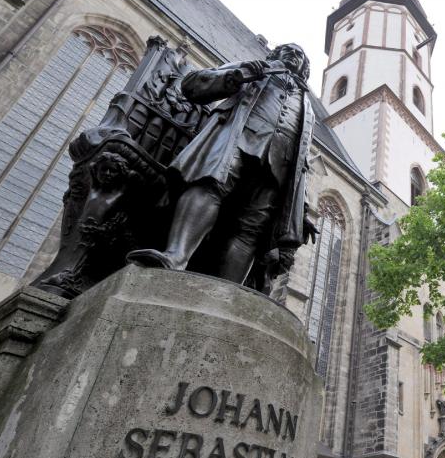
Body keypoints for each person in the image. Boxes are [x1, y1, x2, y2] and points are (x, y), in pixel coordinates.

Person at [128, 43, 317, 287]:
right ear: (274, 55)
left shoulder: (308, 106)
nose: (294, 54)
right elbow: (193, 84)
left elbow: (303, 162)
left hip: (279, 165)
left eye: (300, 54)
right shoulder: (256, 70)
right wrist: (235, 76)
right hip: (237, 139)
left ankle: (228, 290)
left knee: (252, 227)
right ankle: (175, 257)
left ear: (305, 69)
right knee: (209, 185)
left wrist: (301, 206)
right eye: (288, 50)